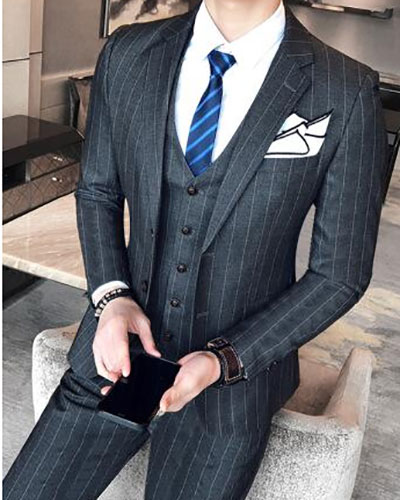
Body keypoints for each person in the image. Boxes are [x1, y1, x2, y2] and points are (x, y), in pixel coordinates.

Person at [3, 0, 388, 498]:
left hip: (229, 394)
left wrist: (225, 360)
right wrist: (111, 298)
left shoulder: (345, 88)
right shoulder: (128, 52)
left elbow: (339, 274)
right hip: (115, 361)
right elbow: (97, 191)